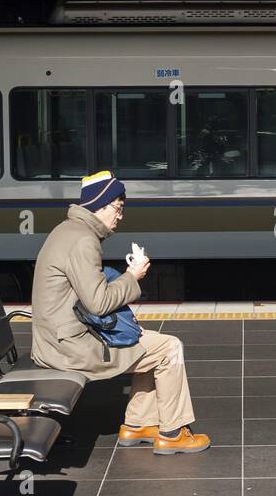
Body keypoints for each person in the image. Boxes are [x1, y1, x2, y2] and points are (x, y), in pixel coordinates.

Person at [30, 170, 209, 455]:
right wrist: (133, 275)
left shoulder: (67, 230)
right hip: (69, 348)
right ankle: (173, 433)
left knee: (147, 344)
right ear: (100, 205)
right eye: (118, 208)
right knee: (169, 348)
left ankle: (139, 425)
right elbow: (99, 303)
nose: (120, 216)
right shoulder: (83, 241)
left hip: (57, 338)